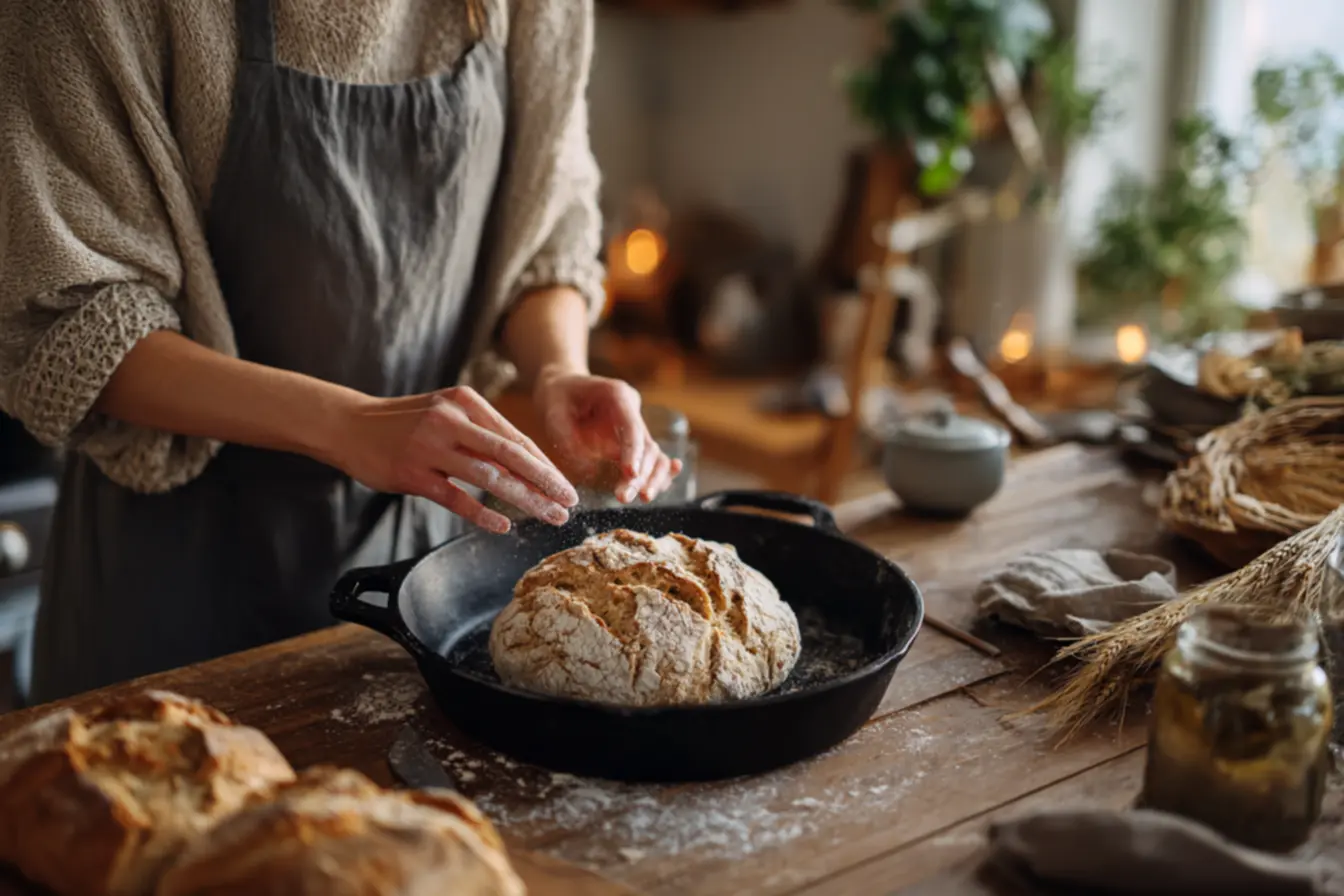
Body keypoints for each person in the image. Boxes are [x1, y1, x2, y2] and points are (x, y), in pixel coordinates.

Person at [0, 0, 679, 703]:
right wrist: (344, 423)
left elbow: (547, 235)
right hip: (169, 574)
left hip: (424, 567)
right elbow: (70, 315)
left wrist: (557, 367)